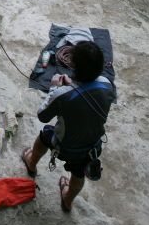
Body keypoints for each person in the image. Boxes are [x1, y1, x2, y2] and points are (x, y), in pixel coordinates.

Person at [21, 41, 115, 212]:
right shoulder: (107, 84)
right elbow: (89, 91)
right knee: (78, 173)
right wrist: (73, 84)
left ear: (73, 65)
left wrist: (54, 89)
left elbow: (42, 115)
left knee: (45, 134)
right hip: (92, 147)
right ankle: (68, 199)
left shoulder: (63, 94)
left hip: (66, 147)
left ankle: (31, 163)